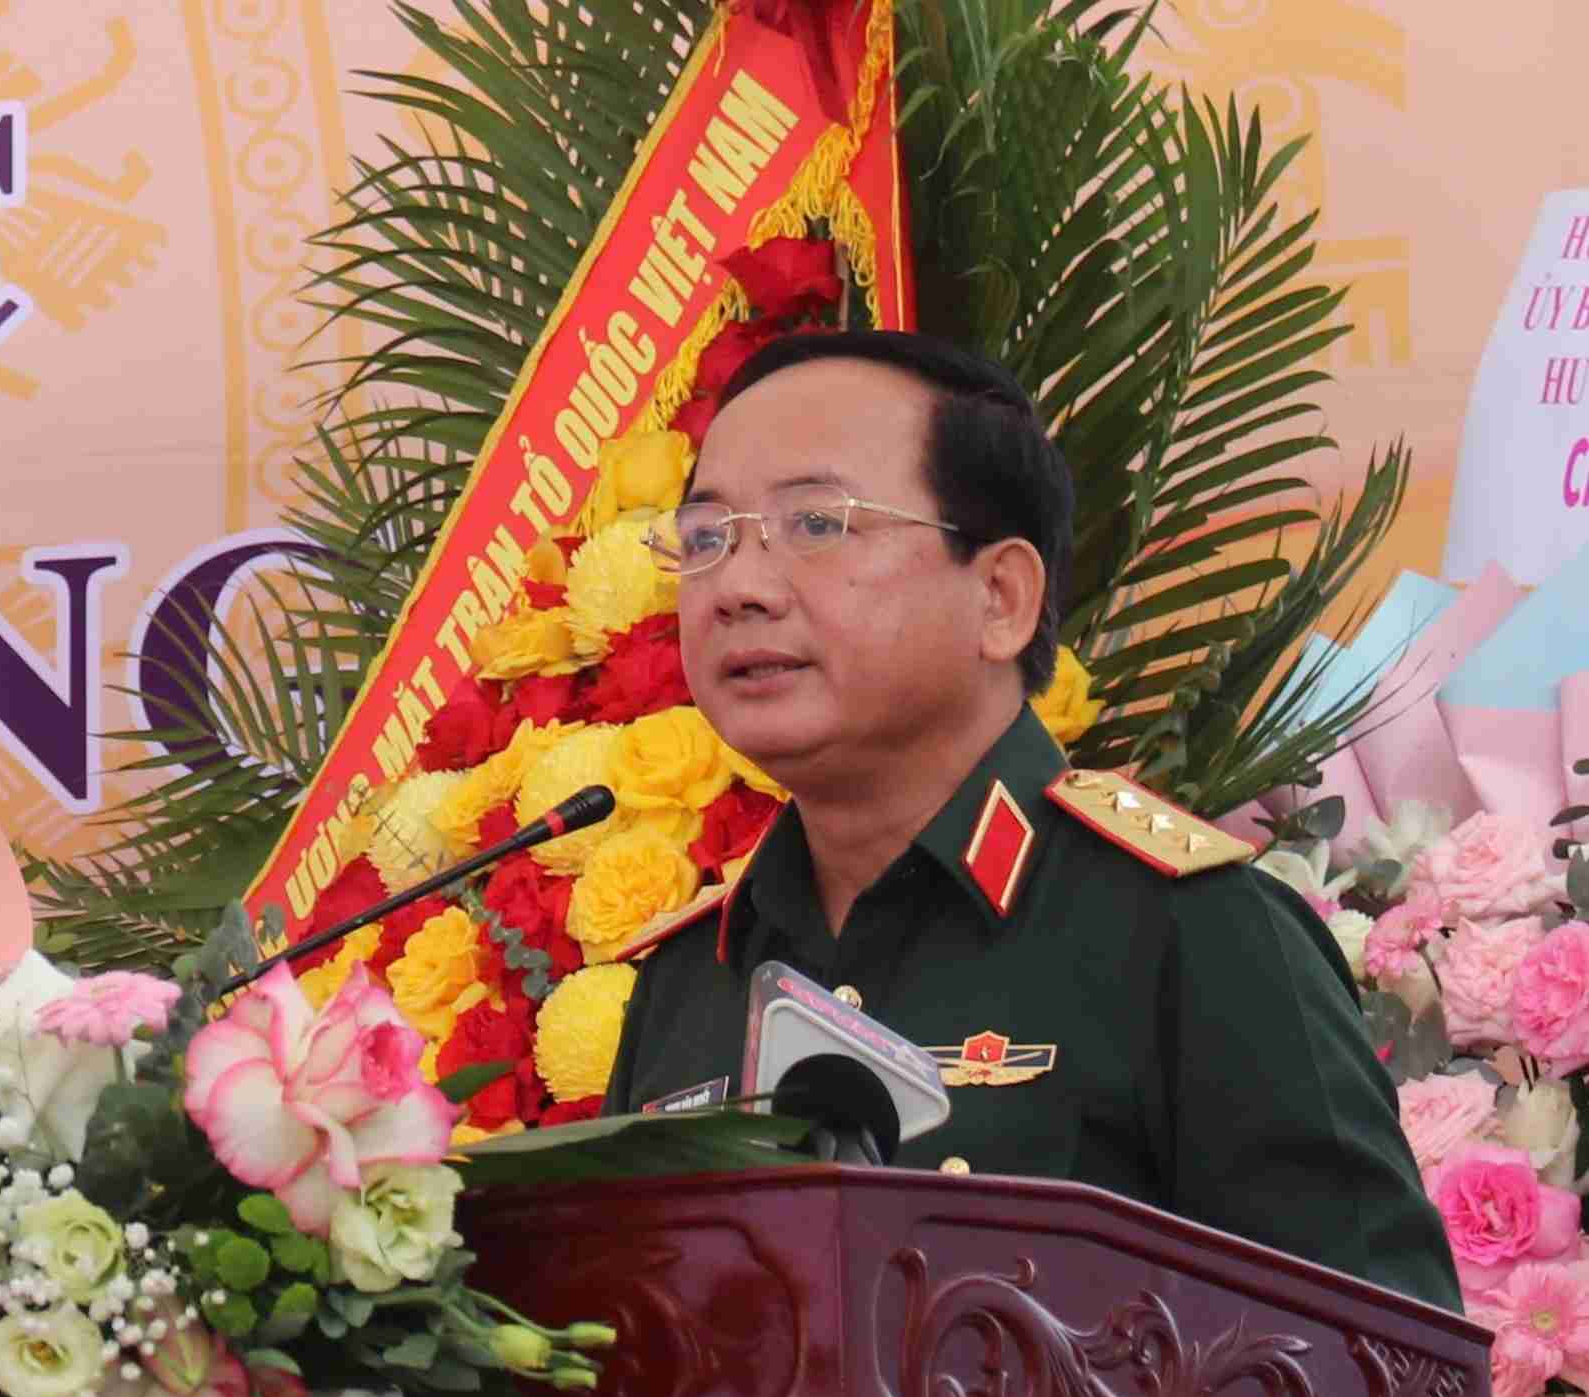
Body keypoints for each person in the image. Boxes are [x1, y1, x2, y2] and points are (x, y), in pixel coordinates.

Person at [604, 327, 1458, 1311]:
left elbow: (1391, 1393)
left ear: (1001, 597)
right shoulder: (684, 976)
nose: (740, 587)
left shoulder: (1191, 936)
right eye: (707, 537)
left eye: (818, 523)